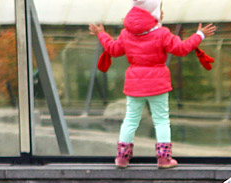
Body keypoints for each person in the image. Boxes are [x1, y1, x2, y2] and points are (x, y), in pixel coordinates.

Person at [88, 0, 216, 169]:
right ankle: (164, 159)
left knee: (130, 120)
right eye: (160, 10)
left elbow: (112, 49)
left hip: (134, 85)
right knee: (161, 121)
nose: (162, 13)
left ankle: (122, 158)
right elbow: (181, 48)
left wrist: (101, 34)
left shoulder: (127, 34)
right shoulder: (162, 34)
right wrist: (200, 34)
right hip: (158, 84)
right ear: (153, 13)